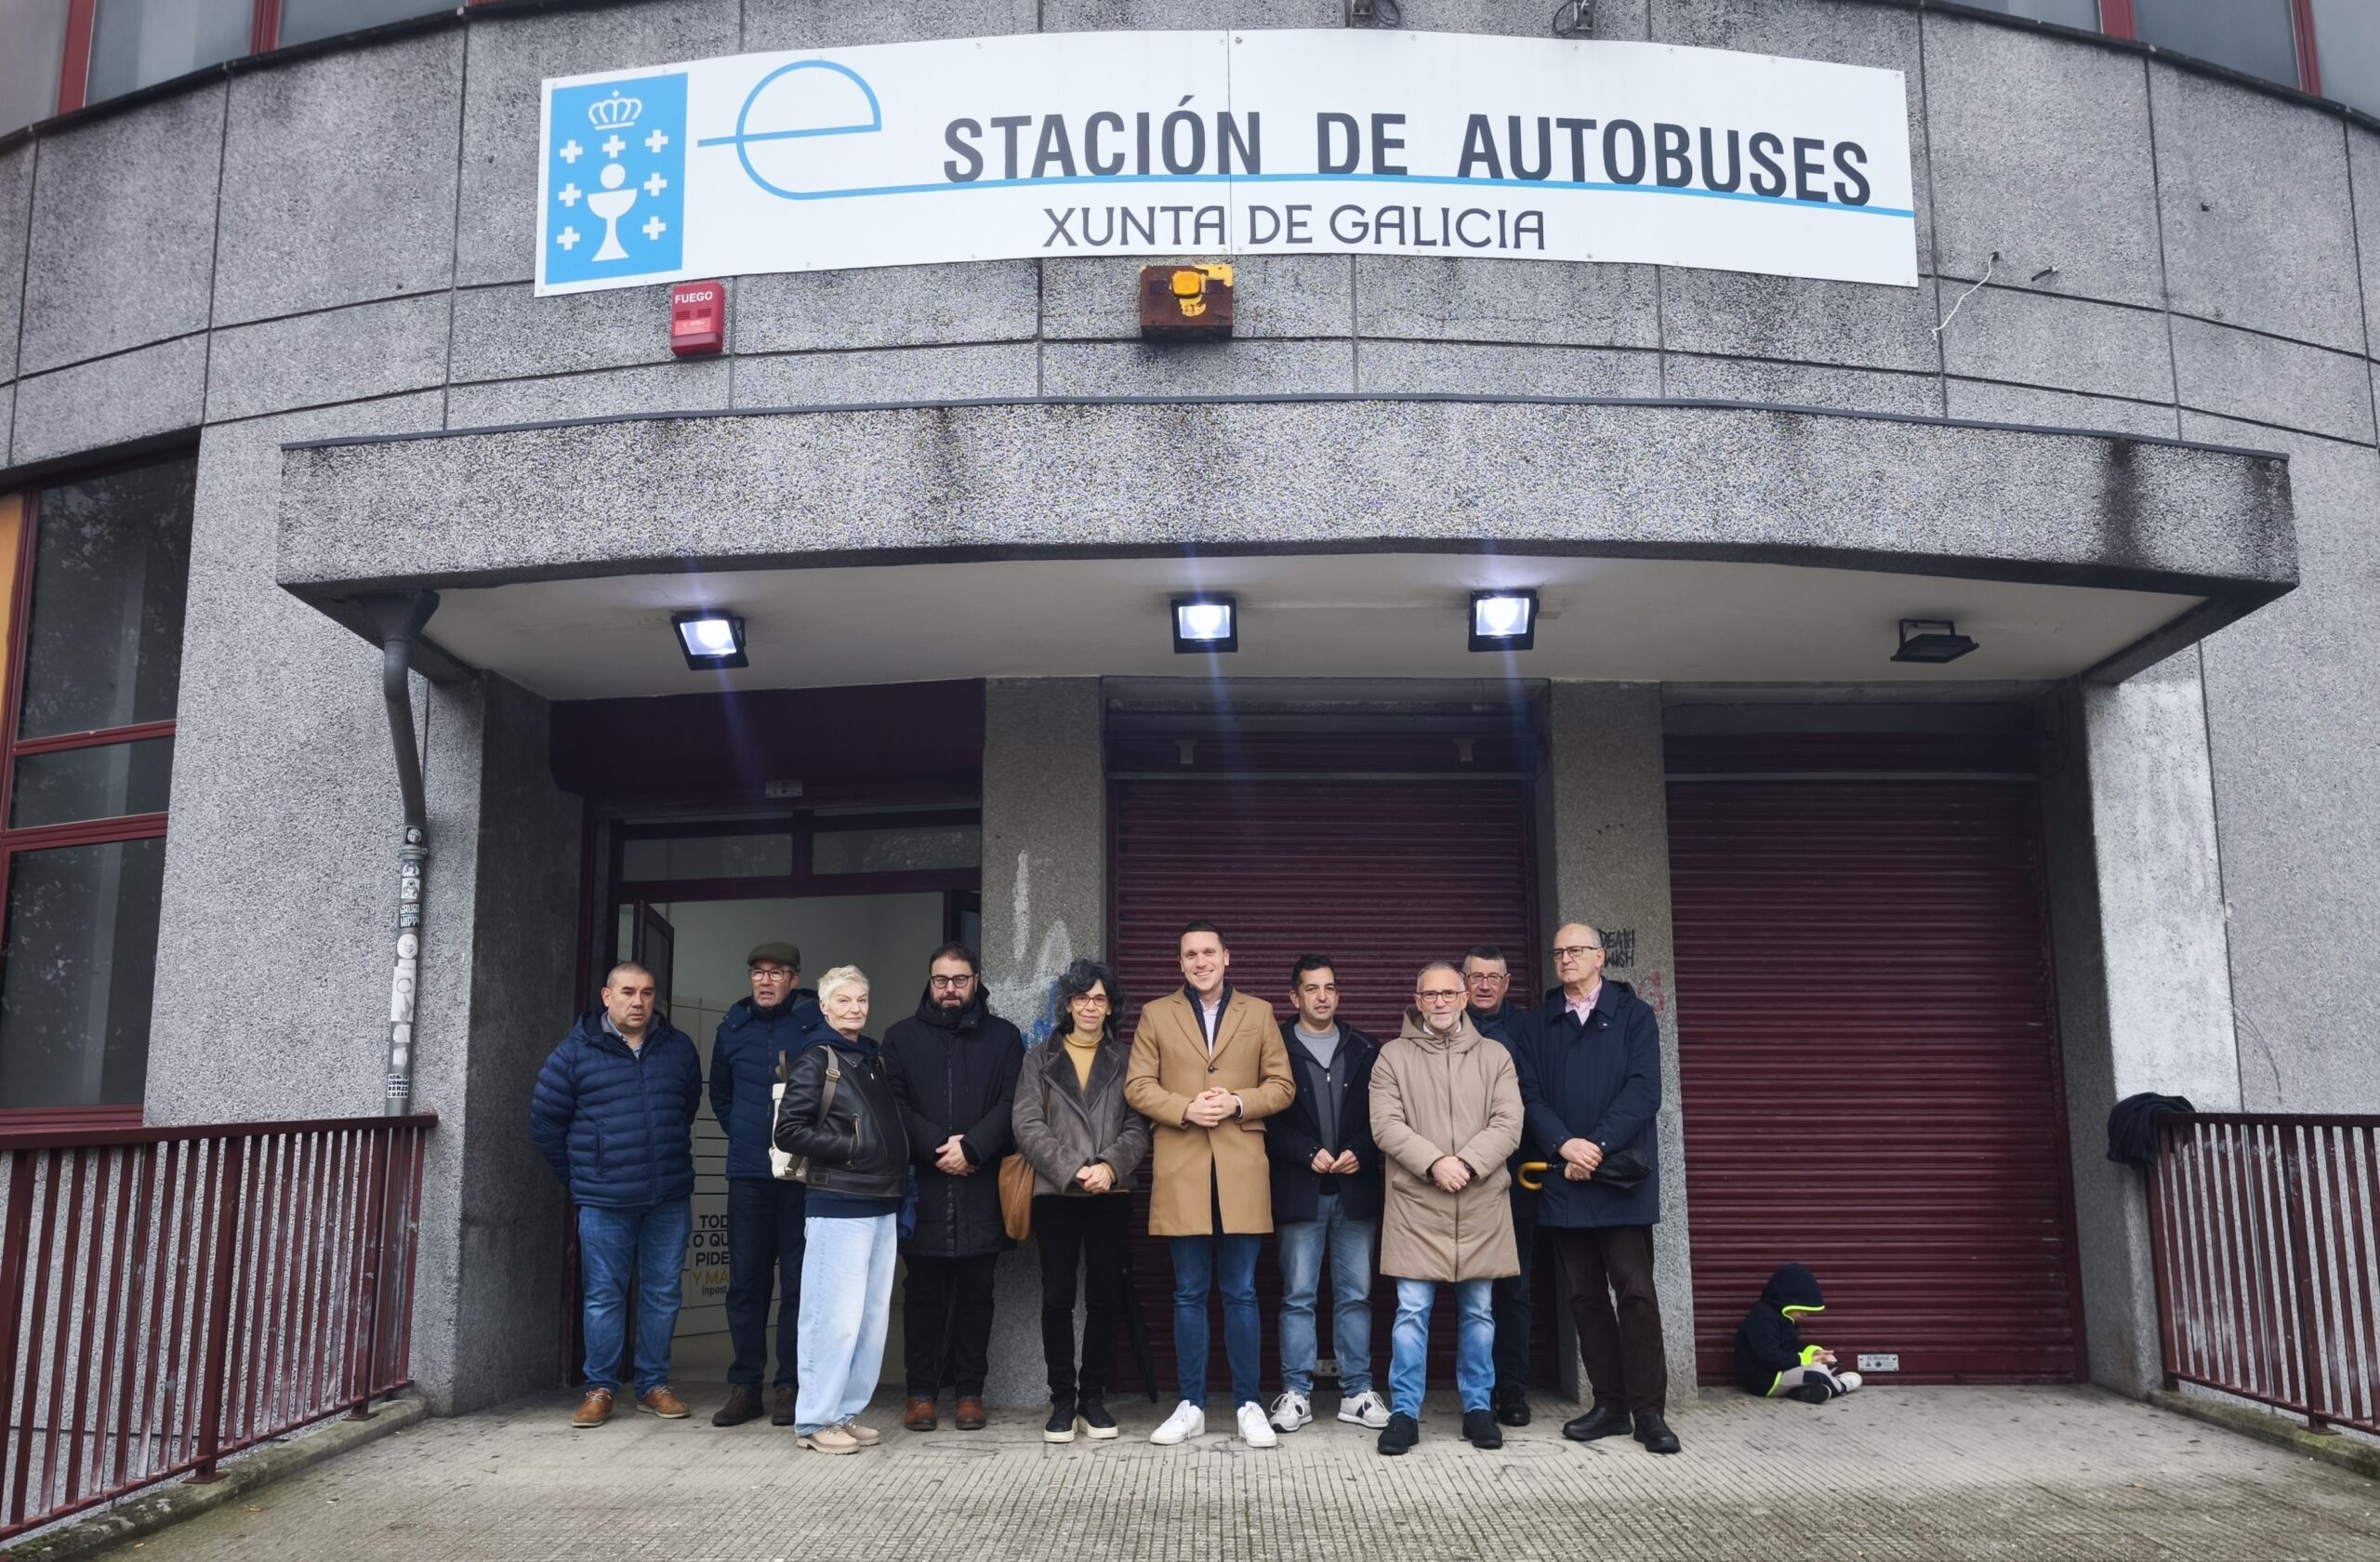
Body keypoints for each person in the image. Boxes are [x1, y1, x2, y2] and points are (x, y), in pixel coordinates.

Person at [1124, 920, 1296, 1449]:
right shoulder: (1156, 1014)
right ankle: (1191, 1405)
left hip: (1241, 1171)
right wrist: (1184, 1108)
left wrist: (1238, 1102)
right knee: (1188, 1293)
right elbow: (1137, 1086)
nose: (1200, 961)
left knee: (1242, 1292)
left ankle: (1248, 1403)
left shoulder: (1260, 1012)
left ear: (1227, 958)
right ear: (1180, 964)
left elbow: (1283, 1086)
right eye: (1190, 955)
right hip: (1183, 1170)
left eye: (1208, 952)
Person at [1514, 922, 1681, 1455]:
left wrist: (1597, 1146)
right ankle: (1608, 1404)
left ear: (1600, 957)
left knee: (1635, 1293)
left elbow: (1643, 1091)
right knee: (1585, 1298)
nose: (1565, 959)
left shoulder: (1635, 1016)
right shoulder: (1538, 1024)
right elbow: (1529, 1095)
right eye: (1558, 951)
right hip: (1566, 1179)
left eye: (1576, 951)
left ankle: (1648, 1412)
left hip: (1619, 1178)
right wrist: (1565, 1145)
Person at [529, 962, 702, 1429]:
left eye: (647, 993)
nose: (638, 1002)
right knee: (604, 1296)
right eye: (628, 992)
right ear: (607, 997)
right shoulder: (574, 1053)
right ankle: (600, 1389)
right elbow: (545, 1122)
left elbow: (685, 1107)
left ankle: (652, 1386)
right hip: (604, 1201)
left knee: (663, 1294)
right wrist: (582, 1177)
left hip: (667, 1195)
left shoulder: (679, 1048)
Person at [1368, 960, 1524, 1455]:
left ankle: (1478, 1408)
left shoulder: (1495, 1055)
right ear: (1417, 1001)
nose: (1439, 1002)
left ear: (1463, 998)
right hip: (1418, 1202)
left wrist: (1468, 1164)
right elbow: (1386, 1126)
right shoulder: (1391, 1057)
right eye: (1429, 995)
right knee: (1412, 1312)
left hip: (1480, 1203)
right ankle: (1405, 1413)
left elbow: (1509, 1123)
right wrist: (1436, 1162)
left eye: (1448, 994)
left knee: (1479, 1312)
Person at [882, 942, 1023, 1433]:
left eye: (959, 980)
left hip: (981, 1186)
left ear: (976, 981)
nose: (949, 989)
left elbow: (1012, 1103)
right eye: (941, 980)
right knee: (921, 1296)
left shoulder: (1004, 1038)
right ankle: (920, 1393)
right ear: (929, 981)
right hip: (922, 1185)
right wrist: (940, 1146)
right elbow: (893, 1105)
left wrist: (974, 1149)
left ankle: (969, 1393)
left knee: (976, 1296)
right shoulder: (900, 1038)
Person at [1011, 958, 1151, 1444]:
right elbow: (1027, 1125)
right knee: (1057, 1296)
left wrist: (1109, 1167)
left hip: (1112, 1192)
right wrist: (1074, 1169)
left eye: (1100, 999)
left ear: (1111, 1007)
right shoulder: (1038, 1059)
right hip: (1058, 1193)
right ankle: (1061, 1400)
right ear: (1067, 1004)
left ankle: (1093, 1397)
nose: (1091, 1007)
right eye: (1082, 998)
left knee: (1104, 1297)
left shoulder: (1129, 1058)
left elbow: (1139, 1124)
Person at [773, 966, 907, 1454]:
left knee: (871, 1321)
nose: (856, 1009)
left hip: (880, 1199)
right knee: (833, 1317)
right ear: (825, 1008)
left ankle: (844, 1413)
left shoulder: (869, 1058)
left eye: (863, 1000)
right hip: (838, 1201)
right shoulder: (818, 1058)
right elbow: (788, 1130)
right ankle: (814, 1420)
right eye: (845, 1001)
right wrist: (851, 1147)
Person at [1265, 955, 1389, 1434]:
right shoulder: (1273, 1047)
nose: (1322, 997)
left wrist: (1362, 1149)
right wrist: (1306, 1152)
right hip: (1301, 1189)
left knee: (1356, 1294)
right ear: (1293, 997)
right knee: (1298, 1295)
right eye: (1312, 989)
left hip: (1355, 1190)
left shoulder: (1365, 1048)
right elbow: (1267, 1121)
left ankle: (1357, 1392)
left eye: (1330, 988)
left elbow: (1385, 1114)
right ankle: (1295, 1393)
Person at [706, 941, 813, 1428]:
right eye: (758, 973)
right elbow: (721, 1096)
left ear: (794, 978)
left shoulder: (813, 1025)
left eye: (777, 972)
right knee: (746, 1284)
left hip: (800, 1178)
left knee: (797, 1284)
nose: (766, 980)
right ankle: (746, 1386)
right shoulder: (733, 1027)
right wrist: (752, 1139)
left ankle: (789, 1385)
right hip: (748, 1173)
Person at [1462, 943, 1538, 1427]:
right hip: (1448, 1179)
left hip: (1513, 1181)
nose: (1485, 985)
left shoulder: (1528, 1033)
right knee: (1459, 1294)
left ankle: (1510, 1390)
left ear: (1508, 984)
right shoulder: (1442, 1027)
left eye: (1494, 977)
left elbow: (1537, 1100)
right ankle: (1471, 1391)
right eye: (1476, 977)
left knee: (1512, 1290)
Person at [1735, 1264, 1863, 1403]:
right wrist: (1807, 1360)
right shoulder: (1762, 1319)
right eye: (1802, 1308)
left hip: (1781, 1373)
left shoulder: (1784, 1318)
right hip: (1766, 1380)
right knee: (1817, 1372)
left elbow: (1791, 1347)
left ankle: (1800, 1392)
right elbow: (1770, 1358)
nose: (1805, 1314)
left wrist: (1814, 1353)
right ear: (1787, 1301)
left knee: (1829, 1361)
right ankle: (1841, 1385)